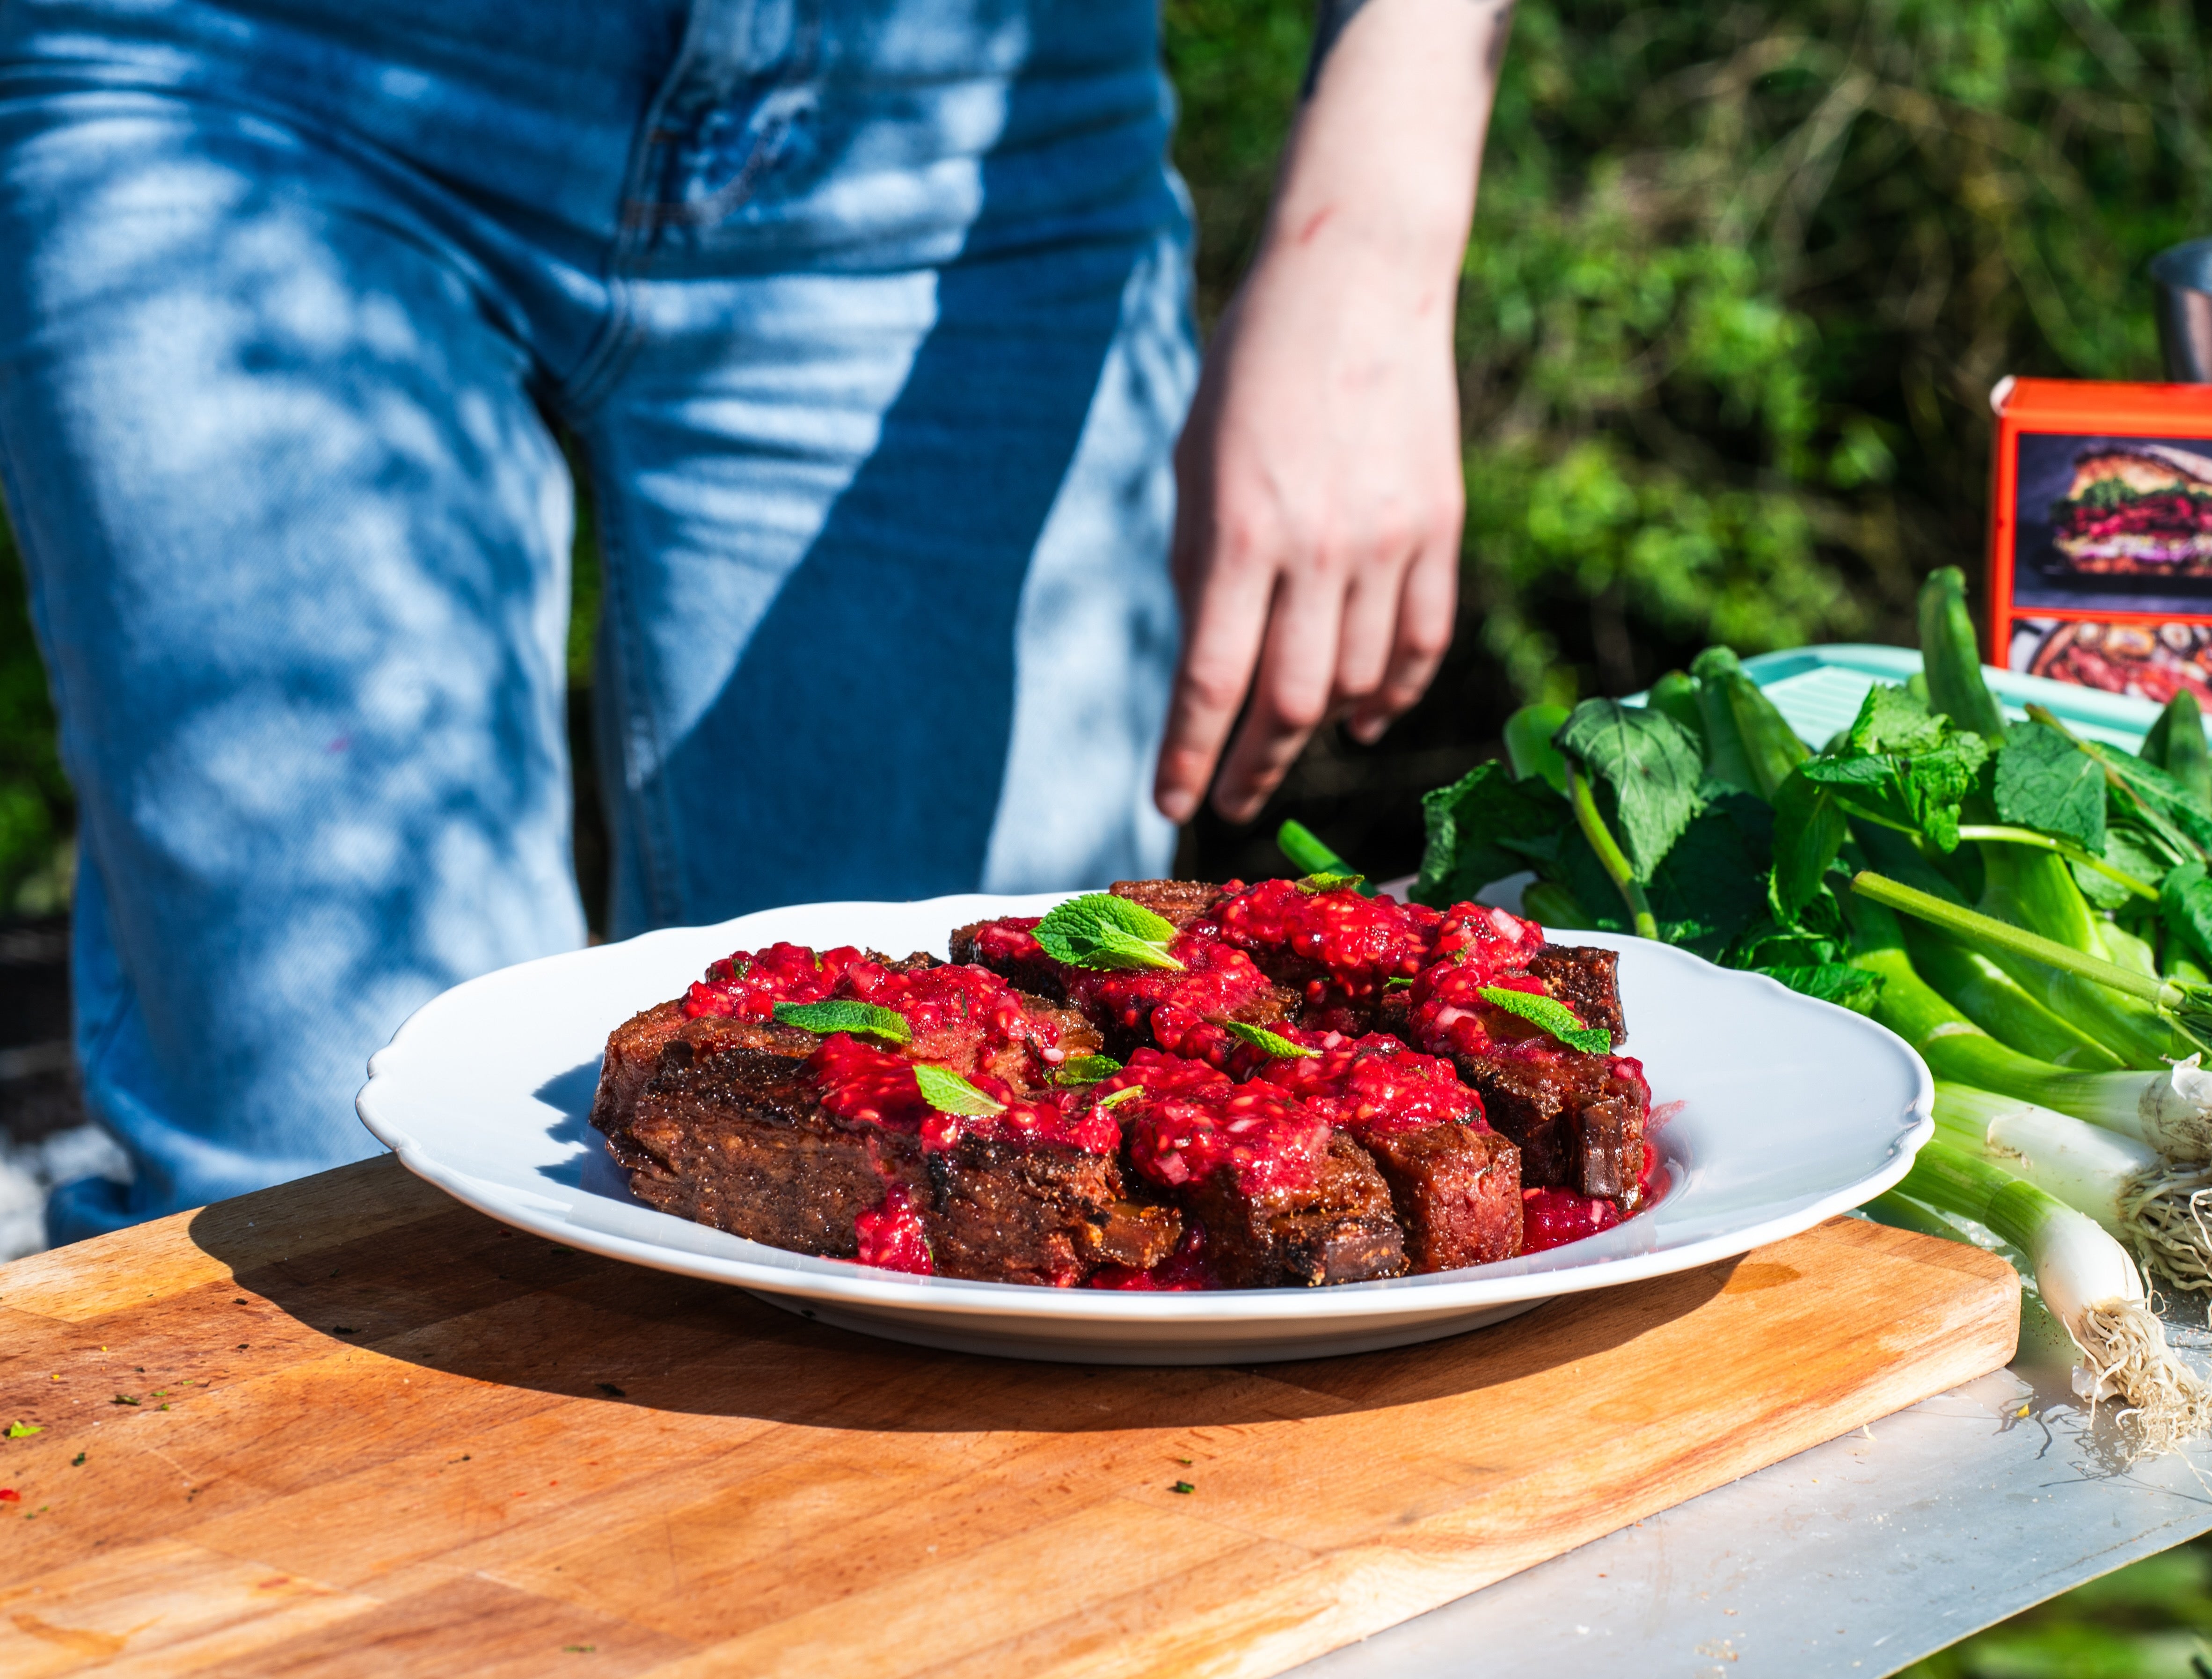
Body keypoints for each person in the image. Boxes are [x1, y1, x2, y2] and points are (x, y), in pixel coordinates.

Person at [3, 0, 1509, 1245]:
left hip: (966, 134)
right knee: (327, 1205)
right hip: (250, 86)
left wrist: (1372, 236)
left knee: (1014, 1214)